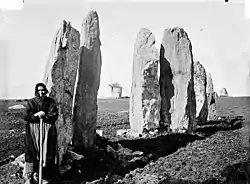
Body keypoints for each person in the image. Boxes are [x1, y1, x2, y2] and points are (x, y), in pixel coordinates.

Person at [23, 83, 58, 184]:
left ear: (45, 90)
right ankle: (31, 175)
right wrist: (36, 115)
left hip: (47, 130)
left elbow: (54, 114)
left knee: (47, 151)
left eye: (43, 90)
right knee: (32, 151)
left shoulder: (50, 102)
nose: (41, 92)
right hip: (33, 131)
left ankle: (45, 176)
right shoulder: (31, 102)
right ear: (36, 91)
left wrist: (45, 115)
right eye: (39, 90)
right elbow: (26, 116)